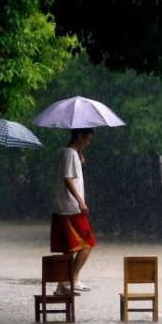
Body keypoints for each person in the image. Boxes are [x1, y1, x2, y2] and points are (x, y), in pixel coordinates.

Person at [50, 127, 96, 296]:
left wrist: (79, 157)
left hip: (61, 206)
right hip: (71, 208)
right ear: (79, 136)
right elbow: (68, 180)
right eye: (87, 139)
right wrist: (80, 201)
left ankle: (61, 286)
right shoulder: (70, 154)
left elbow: (68, 174)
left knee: (68, 248)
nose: (88, 142)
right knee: (88, 243)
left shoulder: (65, 152)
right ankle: (73, 278)